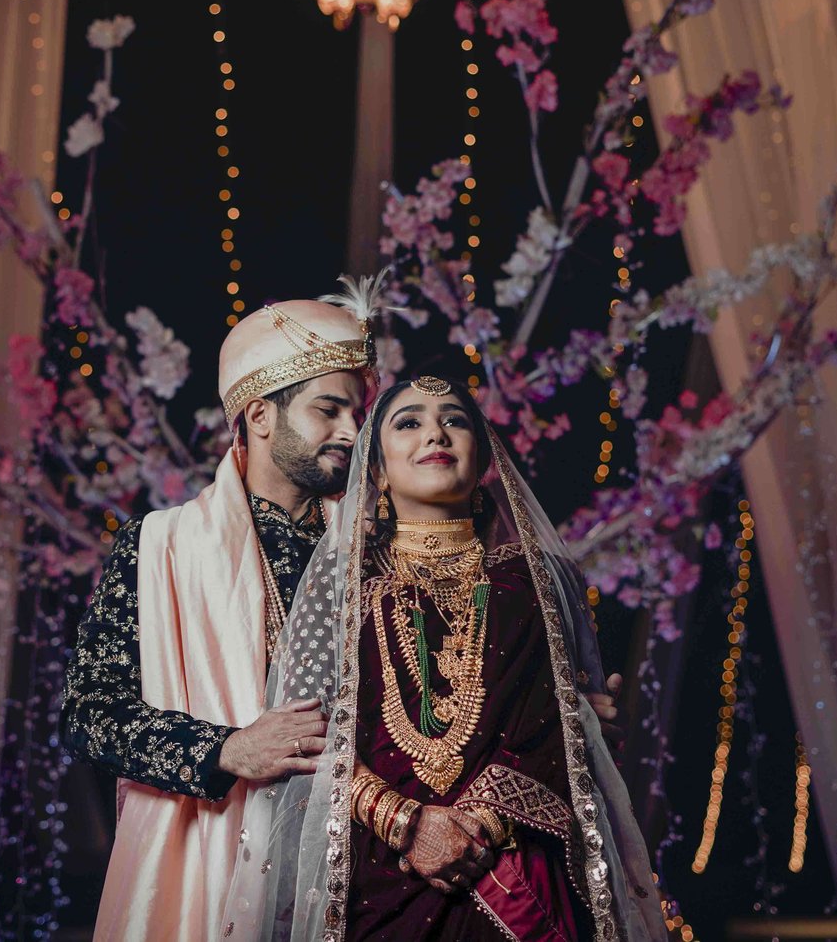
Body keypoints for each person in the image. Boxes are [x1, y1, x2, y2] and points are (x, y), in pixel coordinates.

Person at [223, 376, 668, 942]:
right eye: (409, 422)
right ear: (377, 469)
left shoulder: (537, 579)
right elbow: (307, 735)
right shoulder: (338, 586)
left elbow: (561, 724)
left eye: (454, 420)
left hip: (516, 868)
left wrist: (480, 825)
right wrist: (405, 823)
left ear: (482, 460)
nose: (435, 432)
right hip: (380, 873)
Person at [59, 290, 381, 942]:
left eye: (358, 412)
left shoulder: (376, 548)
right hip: (211, 864)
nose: (352, 432)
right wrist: (227, 748)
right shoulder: (163, 545)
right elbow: (89, 711)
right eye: (329, 409)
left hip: (364, 862)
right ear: (259, 413)